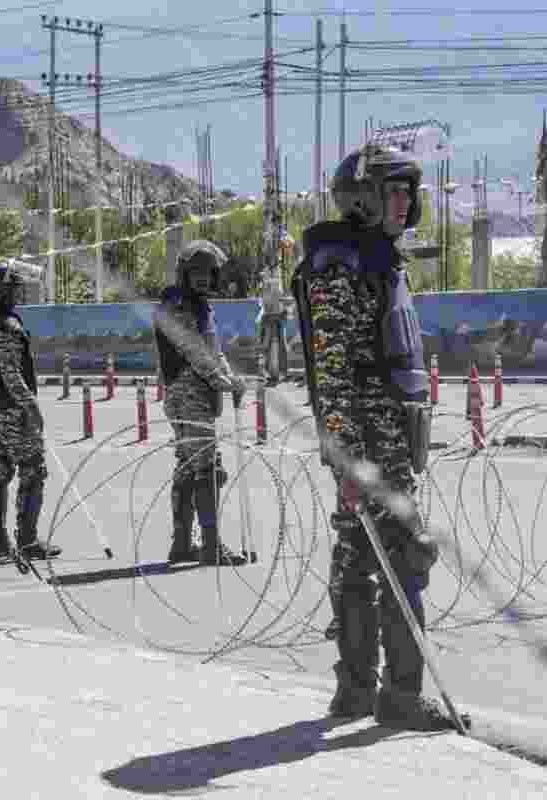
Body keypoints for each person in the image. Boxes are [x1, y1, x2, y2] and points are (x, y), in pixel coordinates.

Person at [293, 145, 462, 731]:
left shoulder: (378, 258)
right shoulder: (339, 263)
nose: (406, 202)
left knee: (364, 559)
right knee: (402, 558)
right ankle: (399, 696)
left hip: (389, 435)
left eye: (410, 192)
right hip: (367, 441)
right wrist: (345, 455)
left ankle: (358, 693)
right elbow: (333, 368)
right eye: (395, 190)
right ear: (363, 197)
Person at [154, 240, 247, 567]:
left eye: (209, 273)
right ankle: (209, 546)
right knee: (206, 469)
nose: (204, 279)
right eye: (197, 273)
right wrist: (222, 381)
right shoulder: (177, 303)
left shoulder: (200, 305)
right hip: (188, 392)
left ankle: (182, 544)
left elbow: (214, 352)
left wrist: (231, 377)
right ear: (184, 273)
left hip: (196, 391)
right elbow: (193, 350)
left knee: (188, 466)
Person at [0, 264, 61, 561]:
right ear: (2, 292)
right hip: (11, 410)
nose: (17, 295)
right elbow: (12, 375)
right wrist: (31, 407)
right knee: (32, 470)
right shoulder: (7, 326)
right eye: (13, 289)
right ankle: (28, 541)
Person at [257, 267, 291, 383]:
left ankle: (280, 372)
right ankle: (272, 371)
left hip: (275, 317)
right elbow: (265, 301)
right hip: (272, 317)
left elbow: (277, 300)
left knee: (274, 344)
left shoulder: (273, 282)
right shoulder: (271, 282)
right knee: (268, 344)